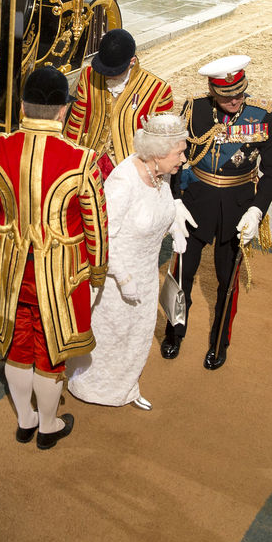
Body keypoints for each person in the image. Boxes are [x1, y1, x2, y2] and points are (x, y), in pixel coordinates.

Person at [0, 66, 108, 450]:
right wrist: (97, 273)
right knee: (50, 353)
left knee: (18, 346)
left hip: (10, 269)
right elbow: (96, 229)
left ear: (22, 106)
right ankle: (48, 425)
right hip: (61, 276)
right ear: (62, 111)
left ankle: (25, 420)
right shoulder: (83, 159)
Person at [165, 55, 272, 368]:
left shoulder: (264, 114)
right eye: (227, 96)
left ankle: (220, 341)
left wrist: (257, 211)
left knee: (227, 281)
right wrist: (175, 200)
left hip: (238, 206)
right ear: (212, 92)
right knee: (180, 274)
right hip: (195, 202)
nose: (236, 100)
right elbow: (179, 156)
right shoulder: (195, 108)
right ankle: (174, 331)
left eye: (240, 93)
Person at [67, 113, 192, 411]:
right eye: (179, 153)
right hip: (115, 280)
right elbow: (102, 236)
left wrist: (174, 220)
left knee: (137, 334)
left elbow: (157, 207)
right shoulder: (124, 181)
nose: (184, 160)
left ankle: (125, 387)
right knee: (113, 336)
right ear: (159, 153)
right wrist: (122, 278)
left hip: (147, 274)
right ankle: (94, 388)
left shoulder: (161, 173)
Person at [62, 27, 174, 176]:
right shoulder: (88, 76)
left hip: (132, 169)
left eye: (114, 71)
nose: (107, 75)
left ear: (132, 61)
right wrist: (70, 160)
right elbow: (76, 121)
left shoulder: (159, 90)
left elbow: (160, 142)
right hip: (90, 162)